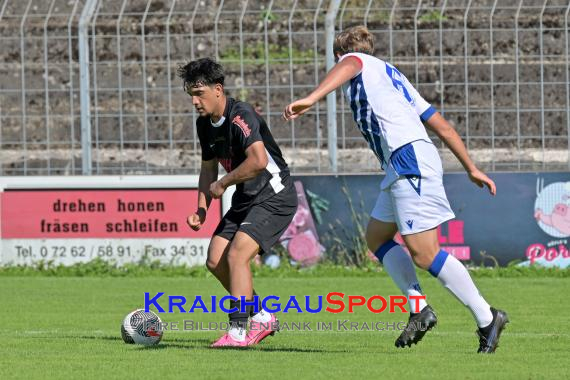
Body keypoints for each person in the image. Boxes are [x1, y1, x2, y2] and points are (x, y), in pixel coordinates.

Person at [282, 26, 508, 353]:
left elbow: (350, 64)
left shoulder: (356, 61)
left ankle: (488, 318)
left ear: (338, 55)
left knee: (424, 253)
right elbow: (440, 123)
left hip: (407, 158)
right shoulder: (390, 76)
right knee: (377, 237)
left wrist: (311, 98)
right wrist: (471, 167)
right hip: (402, 160)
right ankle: (419, 308)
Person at [179, 58, 298, 347]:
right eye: (191, 95)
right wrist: (201, 209)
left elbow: (258, 161)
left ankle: (238, 331)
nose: (195, 101)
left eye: (199, 94)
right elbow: (208, 169)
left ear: (218, 89)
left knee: (237, 256)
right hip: (248, 196)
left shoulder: (240, 115)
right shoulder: (204, 125)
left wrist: (223, 183)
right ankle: (261, 317)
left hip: (275, 194)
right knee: (215, 260)